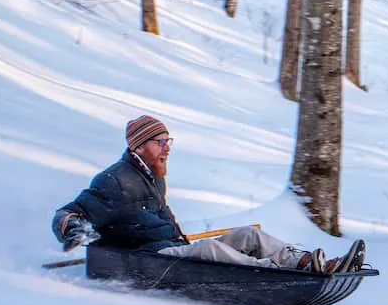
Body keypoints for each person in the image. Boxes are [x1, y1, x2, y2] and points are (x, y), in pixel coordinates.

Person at [52, 114, 365, 274]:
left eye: (168, 140)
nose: (168, 148)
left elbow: (163, 219)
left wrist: (180, 241)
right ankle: (274, 274)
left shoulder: (153, 177)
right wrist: (75, 229)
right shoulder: (114, 180)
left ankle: (305, 262)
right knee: (210, 252)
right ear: (139, 146)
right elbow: (67, 214)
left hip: (171, 249)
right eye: (160, 141)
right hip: (149, 259)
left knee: (247, 236)